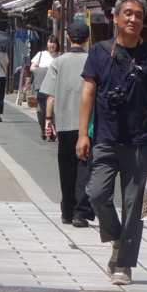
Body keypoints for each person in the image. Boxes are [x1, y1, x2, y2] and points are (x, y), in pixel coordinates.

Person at [76, 0, 147, 286]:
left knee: (134, 206)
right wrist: (83, 134)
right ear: (115, 17)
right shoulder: (99, 52)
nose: (133, 19)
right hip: (105, 138)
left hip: (140, 141)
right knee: (96, 194)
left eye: (139, 15)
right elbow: (88, 93)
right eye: (128, 13)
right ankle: (117, 238)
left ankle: (124, 265)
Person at [42, 23, 95, 228]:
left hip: (64, 123)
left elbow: (51, 95)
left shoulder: (59, 62)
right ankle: (80, 213)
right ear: (88, 40)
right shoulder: (94, 59)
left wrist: (48, 120)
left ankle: (67, 211)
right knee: (85, 168)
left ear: (67, 37)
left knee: (66, 168)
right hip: (88, 124)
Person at [30, 36, 59, 139]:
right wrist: (42, 70)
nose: (52, 44)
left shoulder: (59, 56)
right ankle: (43, 128)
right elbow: (32, 67)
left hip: (54, 87)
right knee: (41, 111)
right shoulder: (41, 54)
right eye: (50, 42)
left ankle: (52, 132)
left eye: (54, 43)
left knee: (54, 111)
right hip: (41, 86)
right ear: (47, 43)